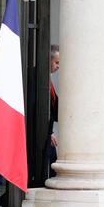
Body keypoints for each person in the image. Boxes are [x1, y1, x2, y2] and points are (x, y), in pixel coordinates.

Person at [44, 44, 60, 178]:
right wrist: (48, 133)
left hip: (48, 133)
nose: (58, 66)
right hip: (42, 135)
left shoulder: (48, 80)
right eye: (56, 62)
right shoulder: (40, 78)